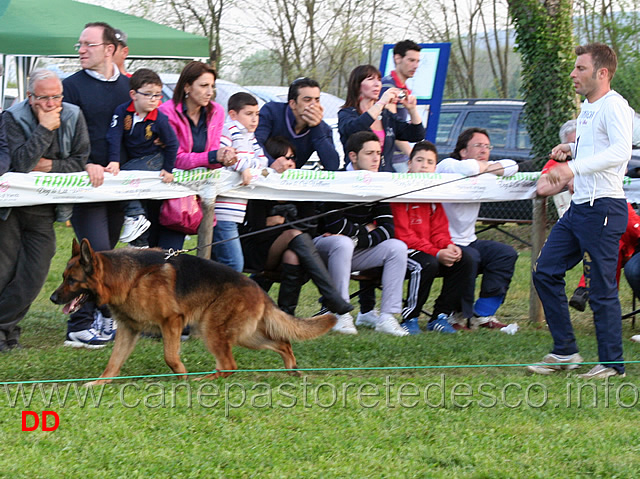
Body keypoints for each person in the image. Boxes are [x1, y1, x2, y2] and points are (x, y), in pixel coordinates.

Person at [529, 43, 633, 379]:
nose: (573, 74)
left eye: (581, 68)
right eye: (574, 68)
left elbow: (620, 152)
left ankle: (612, 365)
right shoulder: (588, 108)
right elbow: (597, 145)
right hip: (579, 209)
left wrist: (574, 167)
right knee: (545, 271)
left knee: (601, 289)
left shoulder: (615, 106)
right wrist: (571, 148)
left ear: (602, 73)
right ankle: (565, 352)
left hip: (603, 208)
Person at [0, 69, 89, 351]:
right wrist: (45, 128)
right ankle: (7, 332)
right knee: (4, 271)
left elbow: (80, 161)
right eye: (44, 98)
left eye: (56, 97)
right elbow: (20, 164)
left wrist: (49, 165)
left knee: (34, 274)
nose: (52, 104)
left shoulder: (74, 115)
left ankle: (4, 327)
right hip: (11, 208)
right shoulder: (12, 117)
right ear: (30, 97)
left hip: (45, 209)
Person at [62, 21, 131, 348]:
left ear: (109, 49)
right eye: (79, 44)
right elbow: (62, 139)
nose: (81, 50)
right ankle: (78, 325)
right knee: (97, 255)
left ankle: (103, 315)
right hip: (84, 186)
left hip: (121, 186)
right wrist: (84, 162)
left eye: (87, 44)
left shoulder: (128, 88)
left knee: (108, 257)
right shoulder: (70, 87)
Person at [240, 136, 352, 317]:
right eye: (285, 157)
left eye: (293, 157)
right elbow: (257, 229)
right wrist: (286, 227)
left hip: (291, 249)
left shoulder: (301, 188)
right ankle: (331, 295)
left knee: (293, 254)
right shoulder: (260, 187)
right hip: (257, 251)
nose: (290, 162)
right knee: (293, 234)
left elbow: (310, 229)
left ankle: (287, 316)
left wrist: (280, 222)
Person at [314, 131, 409, 336]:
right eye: (369, 153)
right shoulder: (337, 179)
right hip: (321, 248)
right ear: (353, 156)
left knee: (397, 247)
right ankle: (341, 313)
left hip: (353, 248)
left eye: (378, 153)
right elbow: (335, 226)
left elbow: (387, 228)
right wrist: (365, 231)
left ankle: (387, 317)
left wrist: (357, 237)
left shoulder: (378, 182)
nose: (376, 158)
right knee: (342, 243)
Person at [435, 127, 519, 329]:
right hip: (444, 240)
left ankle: (483, 314)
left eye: (487, 146)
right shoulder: (447, 164)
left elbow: (512, 166)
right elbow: (469, 169)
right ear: (463, 151)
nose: (484, 149)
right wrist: (488, 167)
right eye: (478, 145)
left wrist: (486, 167)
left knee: (505, 254)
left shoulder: (484, 168)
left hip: (469, 239)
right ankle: (454, 316)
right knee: (469, 257)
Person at [391, 141, 473, 334]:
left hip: (428, 249)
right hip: (402, 250)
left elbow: (439, 230)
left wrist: (448, 246)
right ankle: (410, 318)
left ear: (435, 168)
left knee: (466, 259)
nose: (424, 166)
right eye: (419, 160)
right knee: (427, 264)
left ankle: (439, 316)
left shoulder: (433, 193)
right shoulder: (398, 191)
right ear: (409, 164)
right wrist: (437, 253)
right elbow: (403, 236)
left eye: (429, 162)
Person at [157, 61, 235, 251]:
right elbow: (175, 158)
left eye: (212, 86)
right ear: (187, 87)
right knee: (163, 257)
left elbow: (212, 153)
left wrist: (224, 157)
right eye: (203, 85)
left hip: (200, 194)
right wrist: (212, 157)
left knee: (202, 259)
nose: (210, 92)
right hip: (165, 192)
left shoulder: (216, 111)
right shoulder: (166, 112)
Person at [106, 68, 179, 247]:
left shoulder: (159, 119)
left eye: (157, 95)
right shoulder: (122, 112)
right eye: (148, 94)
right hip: (135, 160)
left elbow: (172, 144)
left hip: (155, 159)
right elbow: (113, 136)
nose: (153, 99)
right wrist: (114, 160)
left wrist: (168, 169)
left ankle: (135, 215)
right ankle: (140, 243)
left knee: (126, 175)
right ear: (133, 94)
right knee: (125, 179)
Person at [213, 92, 267, 271]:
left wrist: (246, 165)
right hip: (222, 209)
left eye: (257, 114)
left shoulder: (251, 138)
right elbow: (224, 155)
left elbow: (263, 162)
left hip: (237, 208)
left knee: (222, 266)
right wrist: (244, 167)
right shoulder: (228, 129)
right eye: (249, 114)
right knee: (234, 265)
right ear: (233, 115)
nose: (254, 119)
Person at [338, 64, 425, 173]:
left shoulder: (386, 116)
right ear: (357, 85)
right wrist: (381, 103)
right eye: (370, 79)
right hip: (357, 177)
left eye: (379, 80)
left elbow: (417, 135)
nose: (377, 84)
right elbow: (355, 128)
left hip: (384, 177)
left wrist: (412, 110)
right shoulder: (346, 113)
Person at [255, 77, 340, 172]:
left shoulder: (323, 128)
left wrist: (316, 127)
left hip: (292, 179)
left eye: (317, 100)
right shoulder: (272, 112)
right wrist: (271, 162)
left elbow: (332, 165)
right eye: (307, 100)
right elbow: (255, 142)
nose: (313, 105)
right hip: (261, 173)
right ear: (293, 104)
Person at [381, 39, 422, 172]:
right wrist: (414, 157)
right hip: (392, 159)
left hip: (401, 158)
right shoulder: (388, 87)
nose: (415, 65)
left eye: (417, 61)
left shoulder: (402, 89)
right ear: (397, 58)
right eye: (411, 60)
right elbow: (390, 127)